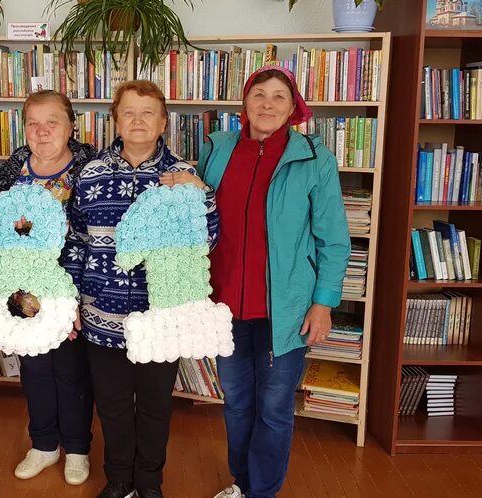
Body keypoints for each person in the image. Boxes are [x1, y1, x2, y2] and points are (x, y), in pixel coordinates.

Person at [199, 66, 351, 498]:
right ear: (245, 104)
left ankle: (262, 492)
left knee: (275, 405)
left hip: (287, 308)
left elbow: (334, 240)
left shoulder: (313, 157)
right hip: (224, 303)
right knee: (237, 401)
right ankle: (242, 484)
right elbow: (198, 218)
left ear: (293, 107)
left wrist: (323, 303)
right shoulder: (218, 148)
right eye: (259, 95)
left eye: (278, 97)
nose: (267, 104)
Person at [64, 80, 220, 498]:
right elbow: (76, 242)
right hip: (103, 316)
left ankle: (149, 483)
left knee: (155, 407)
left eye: (147, 112)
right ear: (115, 119)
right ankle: (118, 481)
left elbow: (209, 241)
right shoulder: (91, 173)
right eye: (128, 112)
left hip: (161, 318)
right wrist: (72, 302)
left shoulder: (183, 176)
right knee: (112, 407)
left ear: (163, 121)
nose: (137, 121)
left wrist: (202, 196)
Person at [0, 90, 97, 486]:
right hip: (24, 290)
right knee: (34, 369)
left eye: (52, 121)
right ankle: (43, 444)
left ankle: (78, 448)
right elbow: (2, 229)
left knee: (71, 372)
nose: (42, 130)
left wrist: (78, 301)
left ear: (71, 126)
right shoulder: (14, 167)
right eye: (33, 122)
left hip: (72, 290)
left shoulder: (89, 166)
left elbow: (98, 234)